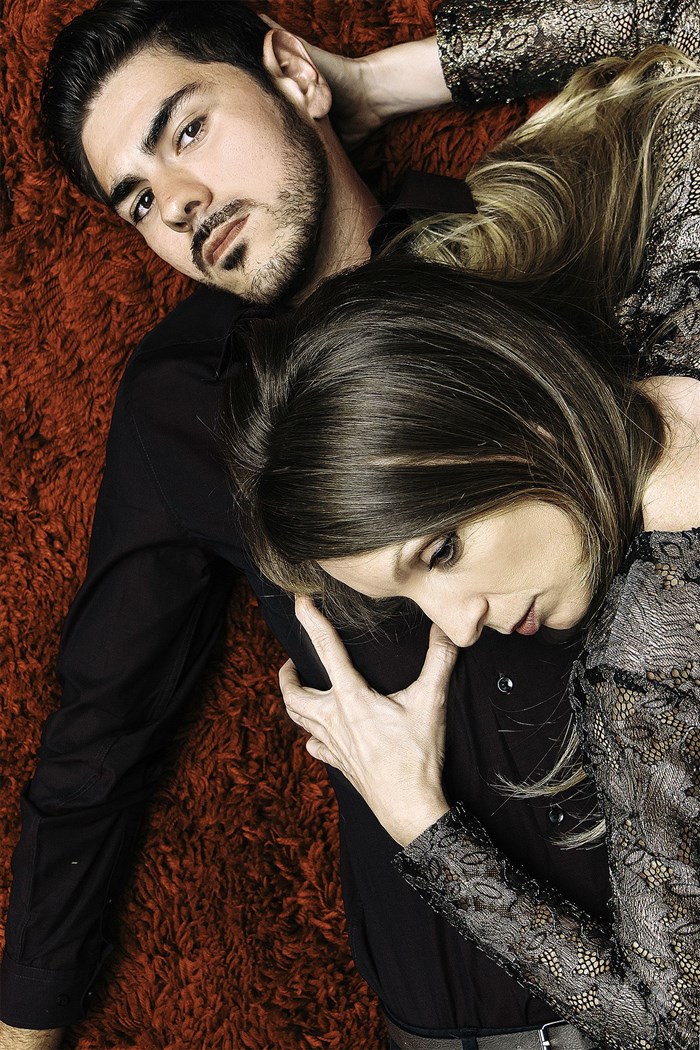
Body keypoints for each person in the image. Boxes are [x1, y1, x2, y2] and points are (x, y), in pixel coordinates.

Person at [0, 1, 690, 1049]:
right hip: (437, 1019)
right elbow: (102, 729)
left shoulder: (522, 241)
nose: (178, 202)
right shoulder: (181, 403)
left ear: (289, 73)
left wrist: (379, 81)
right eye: (137, 198)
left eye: (187, 129)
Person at [221, 33, 700, 1050]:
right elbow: (670, 1022)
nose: (459, 625)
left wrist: (371, 83)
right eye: (410, 599)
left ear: (501, 407)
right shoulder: (648, 673)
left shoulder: (674, 245)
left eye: (439, 552)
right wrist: (419, 822)